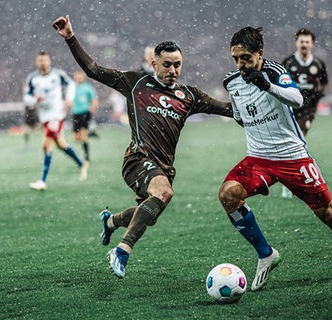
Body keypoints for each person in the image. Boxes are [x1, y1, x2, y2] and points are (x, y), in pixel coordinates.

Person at [53, 15, 233, 278]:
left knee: (150, 213)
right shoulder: (136, 83)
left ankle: (111, 220)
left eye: (178, 65)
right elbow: (93, 69)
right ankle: (122, 250)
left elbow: (227, 109)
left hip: (164, 167)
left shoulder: (190, 95)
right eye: (167, 65)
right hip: (137, 159)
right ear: (154, 63)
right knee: (164, 193)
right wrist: (70, 38)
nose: (173, 70)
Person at [220, 27, 332, 291]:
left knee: (329, 215)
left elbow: (296, 99)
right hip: (259, 159)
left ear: (259, 54)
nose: (240, 64)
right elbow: (239, 115)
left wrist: (267, 86)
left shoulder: (275, 72)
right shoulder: (232, 81)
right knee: (228, 195)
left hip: (294, 159)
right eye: (235, 59)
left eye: (246, 58)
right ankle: (266, 254)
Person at [23, 50, 89, 191]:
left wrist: (69, 99)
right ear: (37, 62)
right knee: (60, 144)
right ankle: (81, 164)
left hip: (57, 115)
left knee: (46, 145)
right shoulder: (32, 78)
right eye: (40, 60)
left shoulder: (57, 74)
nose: (43, 63)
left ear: (49, 61)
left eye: (45, 60)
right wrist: (34, 99)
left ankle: (42, 181)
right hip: (45, 117)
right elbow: (26, 97)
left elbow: (71, 85)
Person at [280, 28, 329, 199]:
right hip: (288, 109)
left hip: (307, 110)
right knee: (292, 145)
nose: (304, 44)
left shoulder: (318, 64)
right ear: (296, 42)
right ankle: (293, 180)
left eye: (307, 41)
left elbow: (324, 83)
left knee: (297, 141)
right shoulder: (287, 62)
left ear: (312, 44)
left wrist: (318, 96)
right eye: (301, 41)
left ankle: (292, 182)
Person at [72, 70, 99, 162]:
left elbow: (94, 100)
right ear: (75, 77)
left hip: (85, 113)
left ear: (84, 77)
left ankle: (87, 158)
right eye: (78, 76)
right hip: (75, 114)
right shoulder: (72, 87)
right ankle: (91, 134)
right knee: (76, 138)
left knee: (83, 137)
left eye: (81, 76)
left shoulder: (88, 87)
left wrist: (91, 108)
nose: (79, 78)